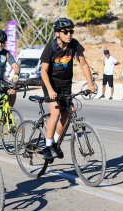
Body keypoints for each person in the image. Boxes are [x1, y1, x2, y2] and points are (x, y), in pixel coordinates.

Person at [40, 17, 95, 160]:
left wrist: (90, 84)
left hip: (65, 85)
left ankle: (55, 144)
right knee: (56, 112)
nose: (69, 34)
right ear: (58, 33)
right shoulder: (50, 47)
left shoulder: (74, 45)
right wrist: (51, 90)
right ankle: (47, 146)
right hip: (50, 83)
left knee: (68, 114)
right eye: (66, 32)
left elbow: (83, 64)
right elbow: (43, 71)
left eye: (71, 31)